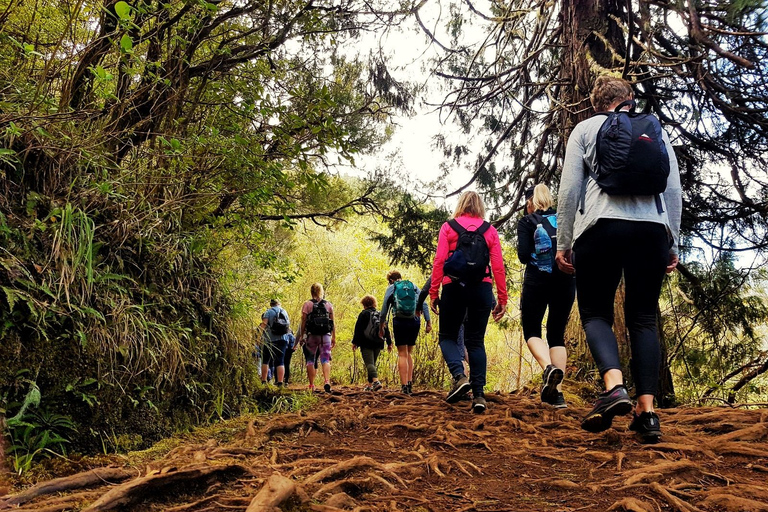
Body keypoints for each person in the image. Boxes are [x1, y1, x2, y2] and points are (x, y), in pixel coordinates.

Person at [556, 75, 681, 442]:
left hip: (600, 228)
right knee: (643, 318)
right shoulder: (654, 129)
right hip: (651, 231)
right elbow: (673, 190)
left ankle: (614, 386)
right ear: (628, 99)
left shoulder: (585, 129)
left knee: (596, 312)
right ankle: (648, 413)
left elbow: (568, 191)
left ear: (598, 103)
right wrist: (672, 241)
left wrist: (565, 241)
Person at [429, 191, 508, 413]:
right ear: (480, 207)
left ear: (461, 204)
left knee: (447, 337)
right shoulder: (489, 230)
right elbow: (498, 266)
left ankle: (459, 376)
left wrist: (434, 292)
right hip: (482, 288)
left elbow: (439, 260)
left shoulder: (449, 227)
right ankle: (479, 396)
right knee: (475, 341)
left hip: (454, 286)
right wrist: (502, 298)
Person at [517, 184, 576, 408]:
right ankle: (557, 395)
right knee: (556, 334)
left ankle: (548, 369)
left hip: (537, 281)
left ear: (529, 202)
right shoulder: (564, 219)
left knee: (532, 329)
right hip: (566, 279)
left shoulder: (527, 221)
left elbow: (523, 256)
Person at [379, 271, 432, 395]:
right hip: (415, 320)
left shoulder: (392, 288)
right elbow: (423, 303)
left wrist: (382, 323)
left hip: (399, 320)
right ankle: (409, 384)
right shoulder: (412, 286)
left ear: (391, 280)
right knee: (409, 352)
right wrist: (428, 321)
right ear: (400, 278)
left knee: (402, 353)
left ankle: (404, 387)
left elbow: (384, 307)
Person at [298, 283, 336, 392]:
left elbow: (303, 321)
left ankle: (311, 385)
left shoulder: (307, 304)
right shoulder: (328, 304)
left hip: (312, 335)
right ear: (321, 291)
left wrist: (302, 335)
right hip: (326, 336)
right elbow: (332, 322)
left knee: (310, 359)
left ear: (311, 291)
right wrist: (334, 336)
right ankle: (327, 381)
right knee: (325, 359)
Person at [352, 295, 393, 391]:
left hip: (366, 343)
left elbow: (358, 329)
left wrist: (355, 342)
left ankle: (376, 382)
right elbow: (386, 329)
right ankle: (370, 386)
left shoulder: (363, 314)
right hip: (378, 342)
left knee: (369, 364)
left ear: (364, 304)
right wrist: (389, 343)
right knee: (372, 364)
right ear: (374, 303)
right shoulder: (380, 314)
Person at [259, 299, 290, 387]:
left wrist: (258, 337)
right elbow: (287, 325)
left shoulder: (268, 312)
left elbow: (264, 324)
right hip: (282, 339)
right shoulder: (284, 312)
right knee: (280, 361)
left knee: (265, 360)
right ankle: (280, 382)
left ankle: (264, 381)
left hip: (269, 339)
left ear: (271, 304)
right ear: (279, 304)